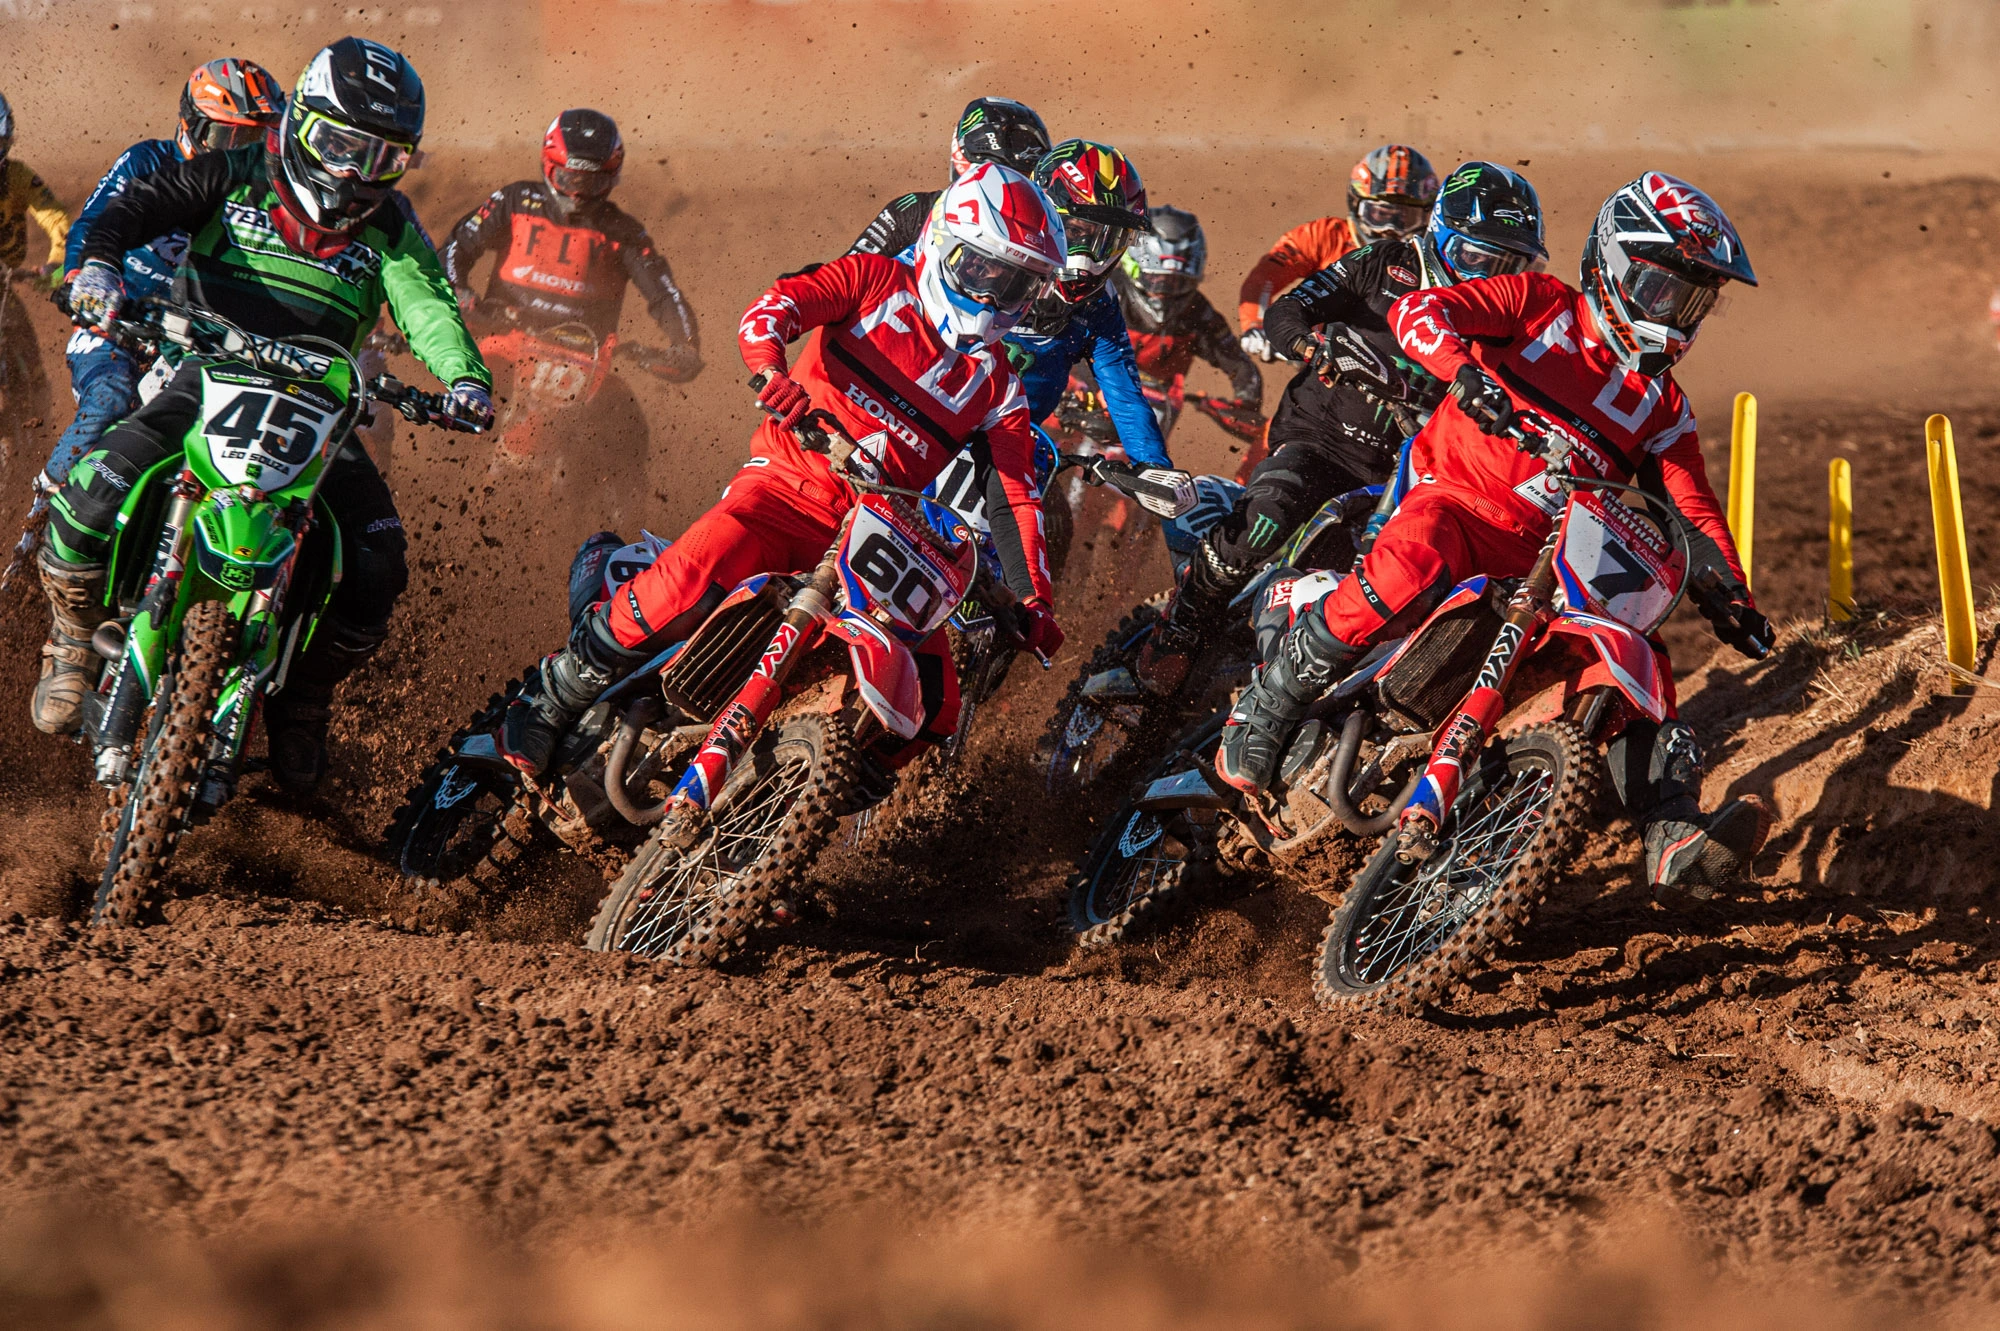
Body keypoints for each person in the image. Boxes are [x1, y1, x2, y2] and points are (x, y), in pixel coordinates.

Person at [1215, 171, 1772, 899]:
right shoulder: (1541, 305)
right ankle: (1270, 702)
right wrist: (1463, 373)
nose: (1676, 315)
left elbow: (1692, 508)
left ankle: (1670, 833)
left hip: (1552, 557)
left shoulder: (1664, 407)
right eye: (1664, 290)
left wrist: (1732, 593)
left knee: (1639, 656)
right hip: (1455, 499)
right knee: (1418, 557)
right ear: (1614, 265)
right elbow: (1420, 311)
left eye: (1694, 301)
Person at [495, 162, 1069, 777]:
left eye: (1015, 284)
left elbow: (1015, 495)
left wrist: (1034, 599)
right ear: (943, 240)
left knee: (937, 708)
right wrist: (772, 372)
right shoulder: (874, 279)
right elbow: (775, 307)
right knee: (693, 576)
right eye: (982, 269)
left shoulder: (1001, 388)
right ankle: (555, 693)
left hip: (878, 538)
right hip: (786, 487)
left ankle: (784, 799)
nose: (992, 296)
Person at [40, 38, 493, 793]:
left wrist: (464, 379)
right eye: (341, 147)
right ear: (303, 125)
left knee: (379, 561)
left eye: (381, 159)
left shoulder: (389, 223)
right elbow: (137, 207)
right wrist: (98, 267)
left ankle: (302, 701)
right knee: (91, 493)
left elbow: (427, 303)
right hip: (202, 375)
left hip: (319, 408)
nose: (353, 173)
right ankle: (73, 638)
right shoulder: (238, 171)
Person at [1135, 161, 1548, 695]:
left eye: (1507, 264)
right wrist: (1311, 346)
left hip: (1410, 471)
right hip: (1320, 440)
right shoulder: (1385, 262)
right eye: (1477, 256)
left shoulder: (1509, 319)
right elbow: (1289, 309)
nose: (1487, 275)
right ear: (1443, 234)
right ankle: (1179, 628)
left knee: (1401, 587)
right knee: (1263, 522)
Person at [45, 58, 282, 490]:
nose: (237, 153)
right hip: (115, 327)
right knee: (111, 401)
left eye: (255, 140)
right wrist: (85, 275)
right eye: (228, 137)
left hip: (203, 344)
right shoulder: (147, 161)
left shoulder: (261, 195)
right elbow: (93, 222)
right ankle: (46, 504)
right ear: (192, 126)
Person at [441, 108, 700, 379]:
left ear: (611, 179)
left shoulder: (624, 232)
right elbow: (457, 246)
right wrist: (457, 289)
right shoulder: (514, 201)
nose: (577, 194)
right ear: (548, 167)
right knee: (463, 386)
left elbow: (664, 295)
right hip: (501, 345)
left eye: (591, 184)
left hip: (585, 364)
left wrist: (685, 345)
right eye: (567, 179)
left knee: (622, 403)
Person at [1007, 139, 1191, 514]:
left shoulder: (1099, 305)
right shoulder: (990, 258)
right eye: (1076, 232)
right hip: (936, 426)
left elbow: (1125, 393)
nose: (1088, 257)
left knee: (1046, 534)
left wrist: (1154, 468)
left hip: (1013, 449)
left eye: (1108, 239)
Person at [1237, 144, 1437, 363]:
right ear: (1356, 204)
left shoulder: (1436, 254)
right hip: (1322, 353)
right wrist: (1256, 324)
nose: (1390, 229)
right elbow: (1263, 278)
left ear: (1427, 215)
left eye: (1406, 218)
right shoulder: (1323, 236)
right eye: (1380, 214)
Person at [1111, 204, 1263, 441]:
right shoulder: (1107, 291)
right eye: (1155, 279)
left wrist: (1244, 406)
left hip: (1149, 416)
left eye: (1175, 283)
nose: (1163, 292)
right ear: (1133, 268)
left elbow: (1239, 364)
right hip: (1076, 397)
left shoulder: (1196, 312)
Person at [846, 96, 1051, 260]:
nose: (1020, 191)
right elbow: (845, 279)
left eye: (1027, 180)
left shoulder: (1046, 236)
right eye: (1012, 178)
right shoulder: (915, 211)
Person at [0, 90, 73, 419]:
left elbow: (56, 219)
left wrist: (58, 263)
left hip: (4, 286)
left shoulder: (16, 176)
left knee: (32, 365)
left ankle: (39, 429)